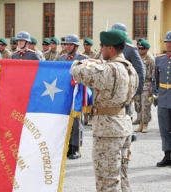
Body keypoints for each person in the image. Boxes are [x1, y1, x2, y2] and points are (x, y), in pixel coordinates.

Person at [70, 29, 138, 192]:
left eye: (103, 46)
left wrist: (82, 62)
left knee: (107, 181)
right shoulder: (130, 69)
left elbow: (76, 72)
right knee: (122, 178)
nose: (101, 50)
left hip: (108, 131)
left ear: (111, 48)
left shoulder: (109, 70)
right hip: (124, 126)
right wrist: (102, 64)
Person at [56, 34, 88, 159]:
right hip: (62, 92)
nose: (67, 47)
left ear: (76, 46)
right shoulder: (60, 59)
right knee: (64, 121)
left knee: (76, 121)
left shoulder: (83, 58)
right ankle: (67, 146)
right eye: (65, 44)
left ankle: (76, 147)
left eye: (70, 44)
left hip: (77, 93)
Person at [152, 30, 171, 167]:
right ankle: (167, 154)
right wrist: (155, 95)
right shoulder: (159, 59)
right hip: (163, 98)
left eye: (170, 42)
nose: (169, 44)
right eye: (167, 42)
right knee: (164, 129)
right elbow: (155, 80)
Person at [133, 40, 155, 133]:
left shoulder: (150, 58)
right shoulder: (137, 57)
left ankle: (145, 124)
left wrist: (152, 87)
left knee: (145, 105)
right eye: (139, 48)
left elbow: (154, 74)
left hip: (147, 84)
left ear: (147, 49)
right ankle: (140, 123)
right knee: (138, 104)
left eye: (142, 49)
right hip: (138, 83)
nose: (140, 50)